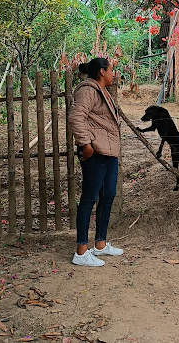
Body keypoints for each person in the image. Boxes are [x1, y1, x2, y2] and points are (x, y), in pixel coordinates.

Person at [69, 58, 123, 267]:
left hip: (109, 152)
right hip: (96, 152)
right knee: (89, 198)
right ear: (102, 71)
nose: (113, 74)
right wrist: (86, 144)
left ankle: (100, 244)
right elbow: (76, 117)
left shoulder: (103, 91)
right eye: (111, 70)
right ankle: (81, 252)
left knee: (108, 196)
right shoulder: (88, 90)